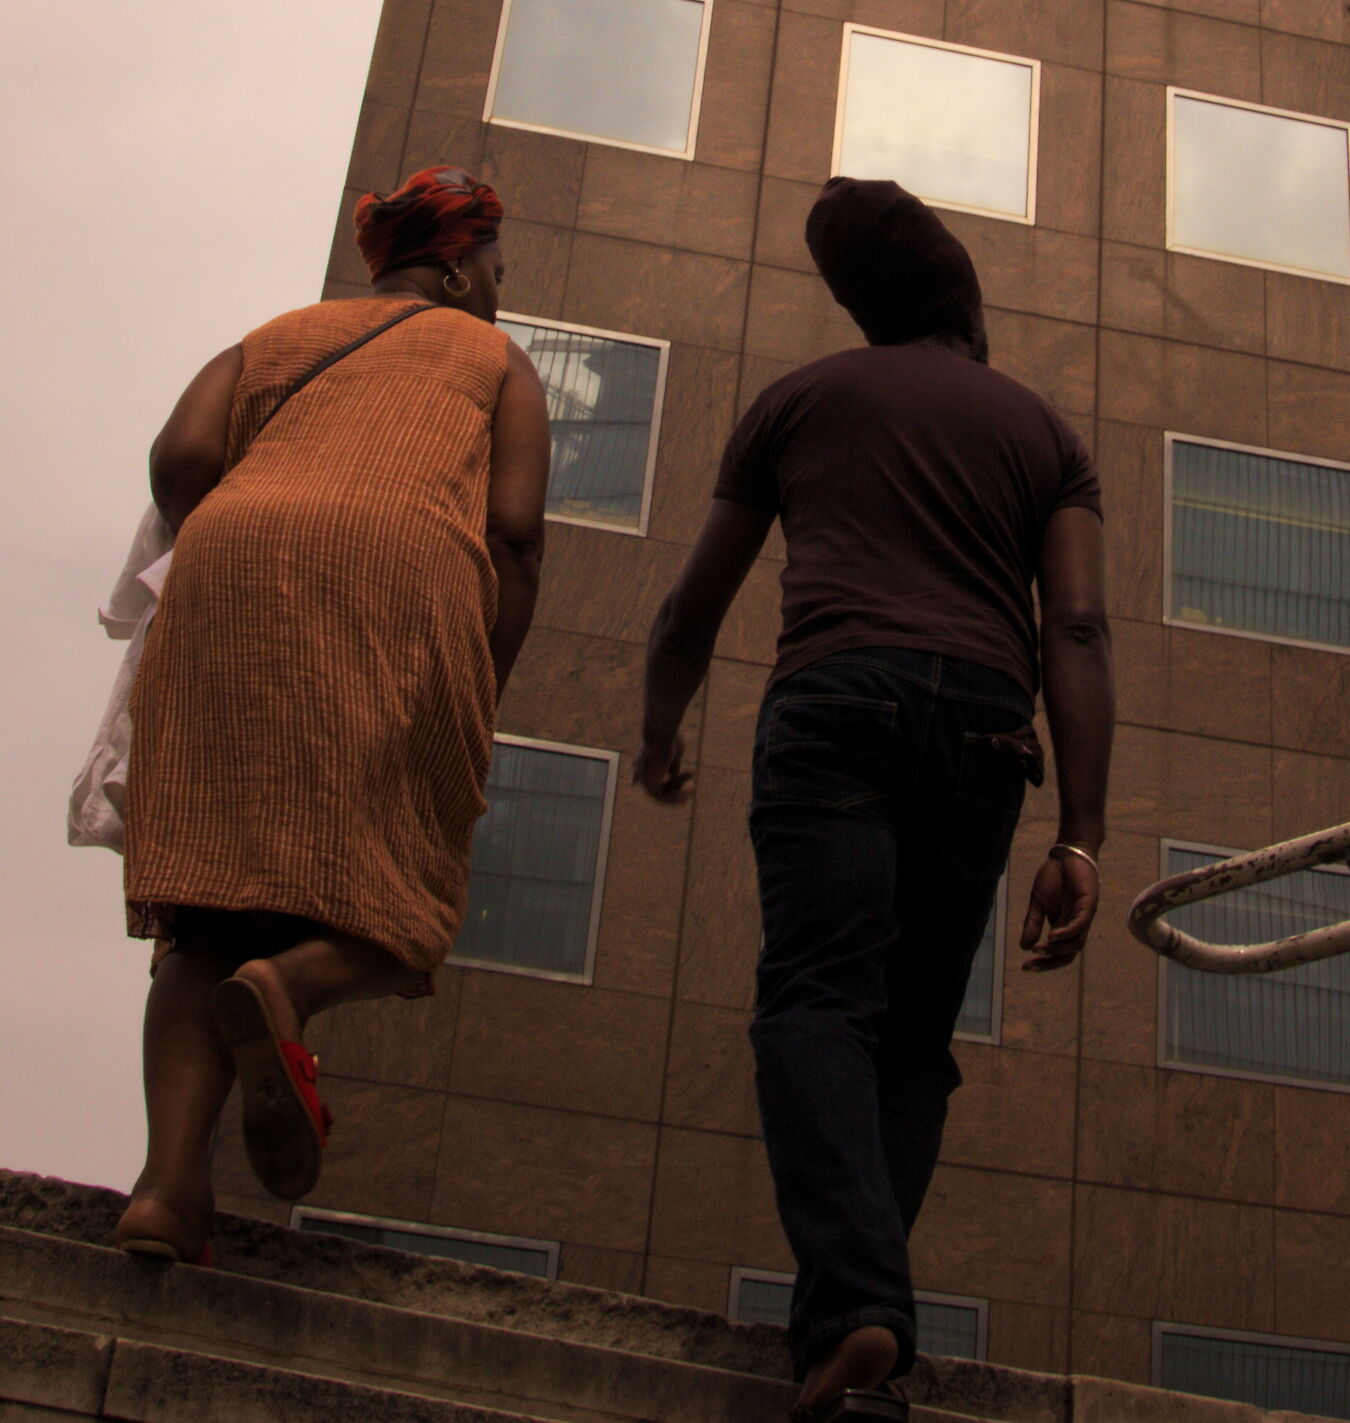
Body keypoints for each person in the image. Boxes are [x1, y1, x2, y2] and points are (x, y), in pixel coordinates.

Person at [637, 176, 1112, 1422]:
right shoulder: (1044, 435)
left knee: (814, 1001)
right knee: (908, 1037)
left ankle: (853, 1312)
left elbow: (695, 604)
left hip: (835, 706)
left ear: (860, 307)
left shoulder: (799, 402)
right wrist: (1083, 836)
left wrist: (657, 728)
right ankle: (853, 1342)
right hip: (985, 733)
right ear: (966, 302)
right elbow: (1076, 624)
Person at [114, 166, 552, 1264]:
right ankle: (293, 982)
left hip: (229, 566)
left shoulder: (271, 335)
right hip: (398, 573)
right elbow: (513, 530)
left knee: (204, 909)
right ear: (457, 263)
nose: (497, 290)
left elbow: (180, 460)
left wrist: (245, 530)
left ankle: (167, 1191)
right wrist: (480, 680)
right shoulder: (493, 358)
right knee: (406, 881)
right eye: (494, 269)